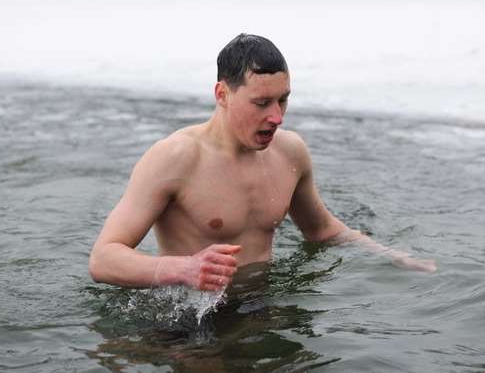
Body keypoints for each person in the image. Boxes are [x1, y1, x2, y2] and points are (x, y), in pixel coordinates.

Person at [89, 33, 436, 291]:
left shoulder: (290, 152)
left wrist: (393, 257)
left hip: (266, 303)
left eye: (283, 101)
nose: (277, 117)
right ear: (222, 94)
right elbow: (103, 258)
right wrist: (182, 269)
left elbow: (321, 229)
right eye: (261, 103)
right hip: (193, 318)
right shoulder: (175, 158)